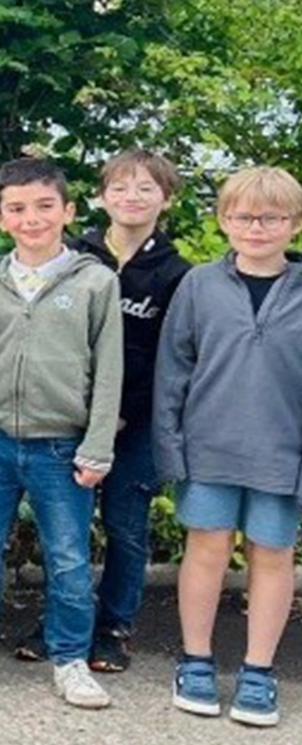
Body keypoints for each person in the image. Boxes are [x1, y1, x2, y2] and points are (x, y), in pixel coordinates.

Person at [0, 157, 122, 710]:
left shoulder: (96, 282)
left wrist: (98, 446)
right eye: (17, 208)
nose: (31, 218)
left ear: (69, 211)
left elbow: (110, 370)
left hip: (62, 446)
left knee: (69, 559)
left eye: (44, 206)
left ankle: (71, 660)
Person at [14, 149, 189, 672]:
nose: (131, 197)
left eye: (146, 188)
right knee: (65, 527)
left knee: (125, 526)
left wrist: (121, 413)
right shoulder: (72, 256)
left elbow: (171, 359)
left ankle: (113, 627)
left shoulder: (177, 275)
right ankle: (61, 621)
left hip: (135, 424)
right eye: (119, 187)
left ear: (167, 199)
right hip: (68, 416)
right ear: (100, 196)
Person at [154, 166, 302, 729]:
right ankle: (195, 660)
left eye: (271, 218)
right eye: (243, 217)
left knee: (272, 554)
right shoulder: (199, 285)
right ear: (223, 220)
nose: (256, 228)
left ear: (294, 223)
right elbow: (173, 370)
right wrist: (170, 447)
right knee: (207, 549)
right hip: (209, 447)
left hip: (282, 453)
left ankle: (259, 670)